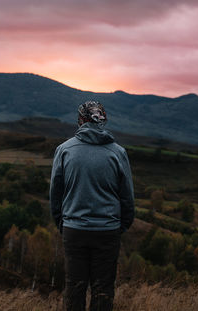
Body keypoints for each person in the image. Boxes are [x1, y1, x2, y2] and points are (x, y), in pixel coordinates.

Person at [50, 101, 135, 311]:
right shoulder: (118, 153)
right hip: (107, 231)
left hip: (74, 230)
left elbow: (55, 195)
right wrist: (118, 226)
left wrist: (64, 224)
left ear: (80, 121)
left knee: (74, 287)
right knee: (103, 289)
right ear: (103, 120)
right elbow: (127, 198)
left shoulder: (64, 150)